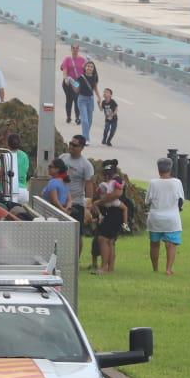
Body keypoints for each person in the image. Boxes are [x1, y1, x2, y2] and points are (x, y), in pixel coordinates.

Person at [146, 157, 185, 275]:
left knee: (154, 244)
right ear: (170, 169)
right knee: (171, 245)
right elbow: (181, 201)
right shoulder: (177, 182)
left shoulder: (153, 183)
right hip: (172, 218)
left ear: (158, 170)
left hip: (155, 218)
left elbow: (147, 201)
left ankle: (155, 269)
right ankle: (168, 269)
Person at [62, 135, 96, 264]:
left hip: (76, 203)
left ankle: (75, 261)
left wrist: (88, 206)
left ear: (81, 148)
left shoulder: (85, 165)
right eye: (70, 143)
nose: (71, 146)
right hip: (60, 202)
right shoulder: (63, 158)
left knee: (77, 234)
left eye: (75, 145)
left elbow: (89, 185)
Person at [93, 177, 127, 274]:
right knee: (111, 241)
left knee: (103, 239)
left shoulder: (114, 187)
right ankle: (110, 268)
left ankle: (104, 267)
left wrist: (101, 201)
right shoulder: (115, 183)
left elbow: (118, 197)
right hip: (116, 216)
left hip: (112, 214)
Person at [59, 44, 87, 123]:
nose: (75, 50)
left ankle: (77, 117)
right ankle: (68, 117)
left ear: (78, 50)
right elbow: (64, 70)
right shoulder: (67, 59)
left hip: (77, 83)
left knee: (77, 99)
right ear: (71, 49)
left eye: (76, 48)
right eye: (73, 48)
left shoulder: (83, 60)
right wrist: (65, 79)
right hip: (68, 82)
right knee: (69, 99)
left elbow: (85, 72)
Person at [74, 59, 99, 142]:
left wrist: (99, 97)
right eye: (88, 66)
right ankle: (86, 139)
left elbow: (95, 88)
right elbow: (76, 90)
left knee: (89, 121)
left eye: (91, 67)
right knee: (85, 120)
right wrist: (73, 83)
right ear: (85, 68)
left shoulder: (94, 77)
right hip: (82, 100)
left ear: (93, 68)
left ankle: (85, 135)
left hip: (90, 100)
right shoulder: (80, 78)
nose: (89, 68)